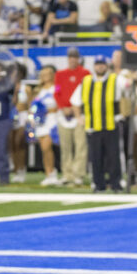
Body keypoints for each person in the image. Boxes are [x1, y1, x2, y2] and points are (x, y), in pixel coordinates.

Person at [71, 54, 129, 193]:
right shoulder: (86, 81)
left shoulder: (115, 79)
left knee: (113, 156)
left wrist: (130, 76)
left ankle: (116, 184)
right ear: (94, 66)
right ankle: (98, 184)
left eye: (102, 64)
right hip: (93, 125)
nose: (100, 66)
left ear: (107, 65)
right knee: (96, 157)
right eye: (98, 64)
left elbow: (128, 87)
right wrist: (79, 117)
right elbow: (75, 101)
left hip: (111, 124)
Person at [54, 47, 90, 187]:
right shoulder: (60, 74)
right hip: (64, 114)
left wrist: (77, 109)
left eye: (75, 57)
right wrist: (63, 107)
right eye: (70, 57)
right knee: (66, 146)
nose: (72, 59)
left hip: (79, 114)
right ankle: (67, 174)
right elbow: (57, 92)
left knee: (81, 145)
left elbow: (87, 93)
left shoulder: (85, 73)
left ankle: (78, 174)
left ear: (78, 58)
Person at [29, 65, 62, 186]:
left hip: (52, 119)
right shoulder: (39, 89)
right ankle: (49, 173)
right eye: (43, 74)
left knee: (47, 147)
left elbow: (60, 103)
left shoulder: (57, 87)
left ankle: (53, 172)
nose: (45, 76)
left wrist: (48, 111)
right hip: (40, 122)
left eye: (48, 73)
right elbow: (33, 104)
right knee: (43, 148)